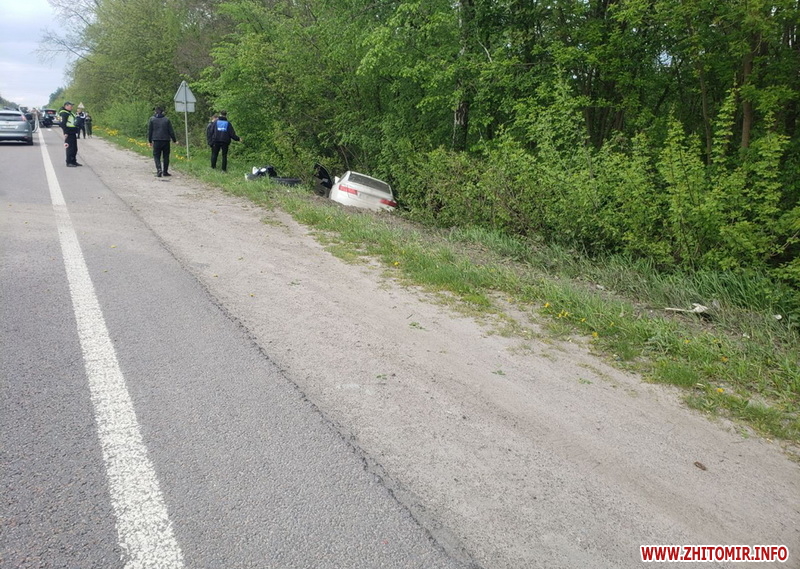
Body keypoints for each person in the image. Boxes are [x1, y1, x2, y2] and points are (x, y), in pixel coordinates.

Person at [147, 107, 177, 177]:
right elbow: (171, 131)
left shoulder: (152, 119)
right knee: (166, 156)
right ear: (163, 112)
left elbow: (150, 131)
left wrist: (150, 141)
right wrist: (174, 140)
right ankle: (165, 172)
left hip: (156, 140)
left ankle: (159, 169)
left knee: (156, 156)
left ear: (155, 112)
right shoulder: (167, 120)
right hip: (166, 140)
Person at [59, 101, 82, 167]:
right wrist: (65, 132)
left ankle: (73, 161)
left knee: (74, 148)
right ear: (66, 106)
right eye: (70, 106)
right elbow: (62, 124)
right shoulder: (64, 113)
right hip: (68, 133)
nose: (72, 107)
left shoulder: (69, 112)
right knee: (70, 148)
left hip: (73, 132)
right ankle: (69, 162)